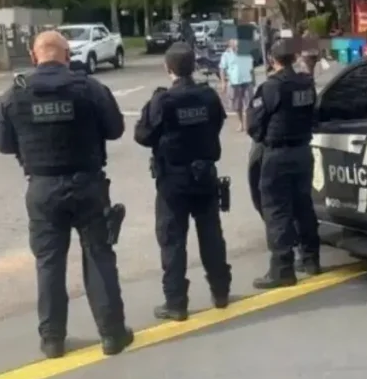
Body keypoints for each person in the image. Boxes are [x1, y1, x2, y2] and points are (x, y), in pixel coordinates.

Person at [0, 30, 133, 359]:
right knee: (98, 255)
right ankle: (112, 335)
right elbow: (115, 129)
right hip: (88, 184)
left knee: (49, 263)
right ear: (68, 56)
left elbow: (3, 144)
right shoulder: (90, 88)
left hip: (42, 188)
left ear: (33, 56)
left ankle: (52, 340)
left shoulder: (14, 94)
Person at [134, 42, 232, 321]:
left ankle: (176, 303)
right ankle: (221, 292)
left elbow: (142, 136)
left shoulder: (163, 101)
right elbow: (217, 123)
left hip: (173, 180)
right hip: (204, 174)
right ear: (194, 66)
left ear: (168, 68)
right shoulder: (207, 96)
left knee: (172, 240)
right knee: (211, 234)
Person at [247, 40, 321, 289]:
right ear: (294, 57)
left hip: (277, 154)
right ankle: (311, 259)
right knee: (303, 206)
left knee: (277, 211)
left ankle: (282, 269)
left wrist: (264, 138)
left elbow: (254, 124)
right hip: (303, 152)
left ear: (272, 59)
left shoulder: (270, 87)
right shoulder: (306, 84)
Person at [218, 38, 254, 132]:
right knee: (237, 106)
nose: (237, 47)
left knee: (249, 104)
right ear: (231, 45)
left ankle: (248, 124)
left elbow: (251, 68)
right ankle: (241, 123)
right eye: (235, 45)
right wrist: (223, 82)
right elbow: (222, 69)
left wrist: (253, 80)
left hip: (247, 81)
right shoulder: (226, 55)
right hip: (234, 82)